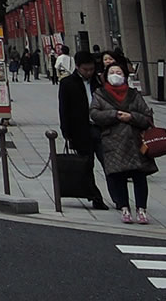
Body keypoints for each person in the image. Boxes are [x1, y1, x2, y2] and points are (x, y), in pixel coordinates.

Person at [90, 62, 157, 224]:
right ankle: (124, 208)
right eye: (112, 72)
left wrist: (131, 117)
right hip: (113, 141)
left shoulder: (134, 94)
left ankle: (142, 209)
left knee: (139, 176)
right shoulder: (100, 94)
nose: (115, 75)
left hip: (135, 141)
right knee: (118, 176)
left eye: (119, 72)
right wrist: (115, 115)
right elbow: (94, 113)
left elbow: (147, 116)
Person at [58, 51, 110, 210]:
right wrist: (66, 132)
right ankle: (95, 196)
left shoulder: (98, 81)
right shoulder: (67, 83)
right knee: (86, 165)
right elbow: (64, 109)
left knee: (109, 164)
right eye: (85, 69)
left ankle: (119, 198)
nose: (89, 72)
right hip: (81, 130)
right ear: (78, 67)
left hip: (101, 129)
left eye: (91, 69)